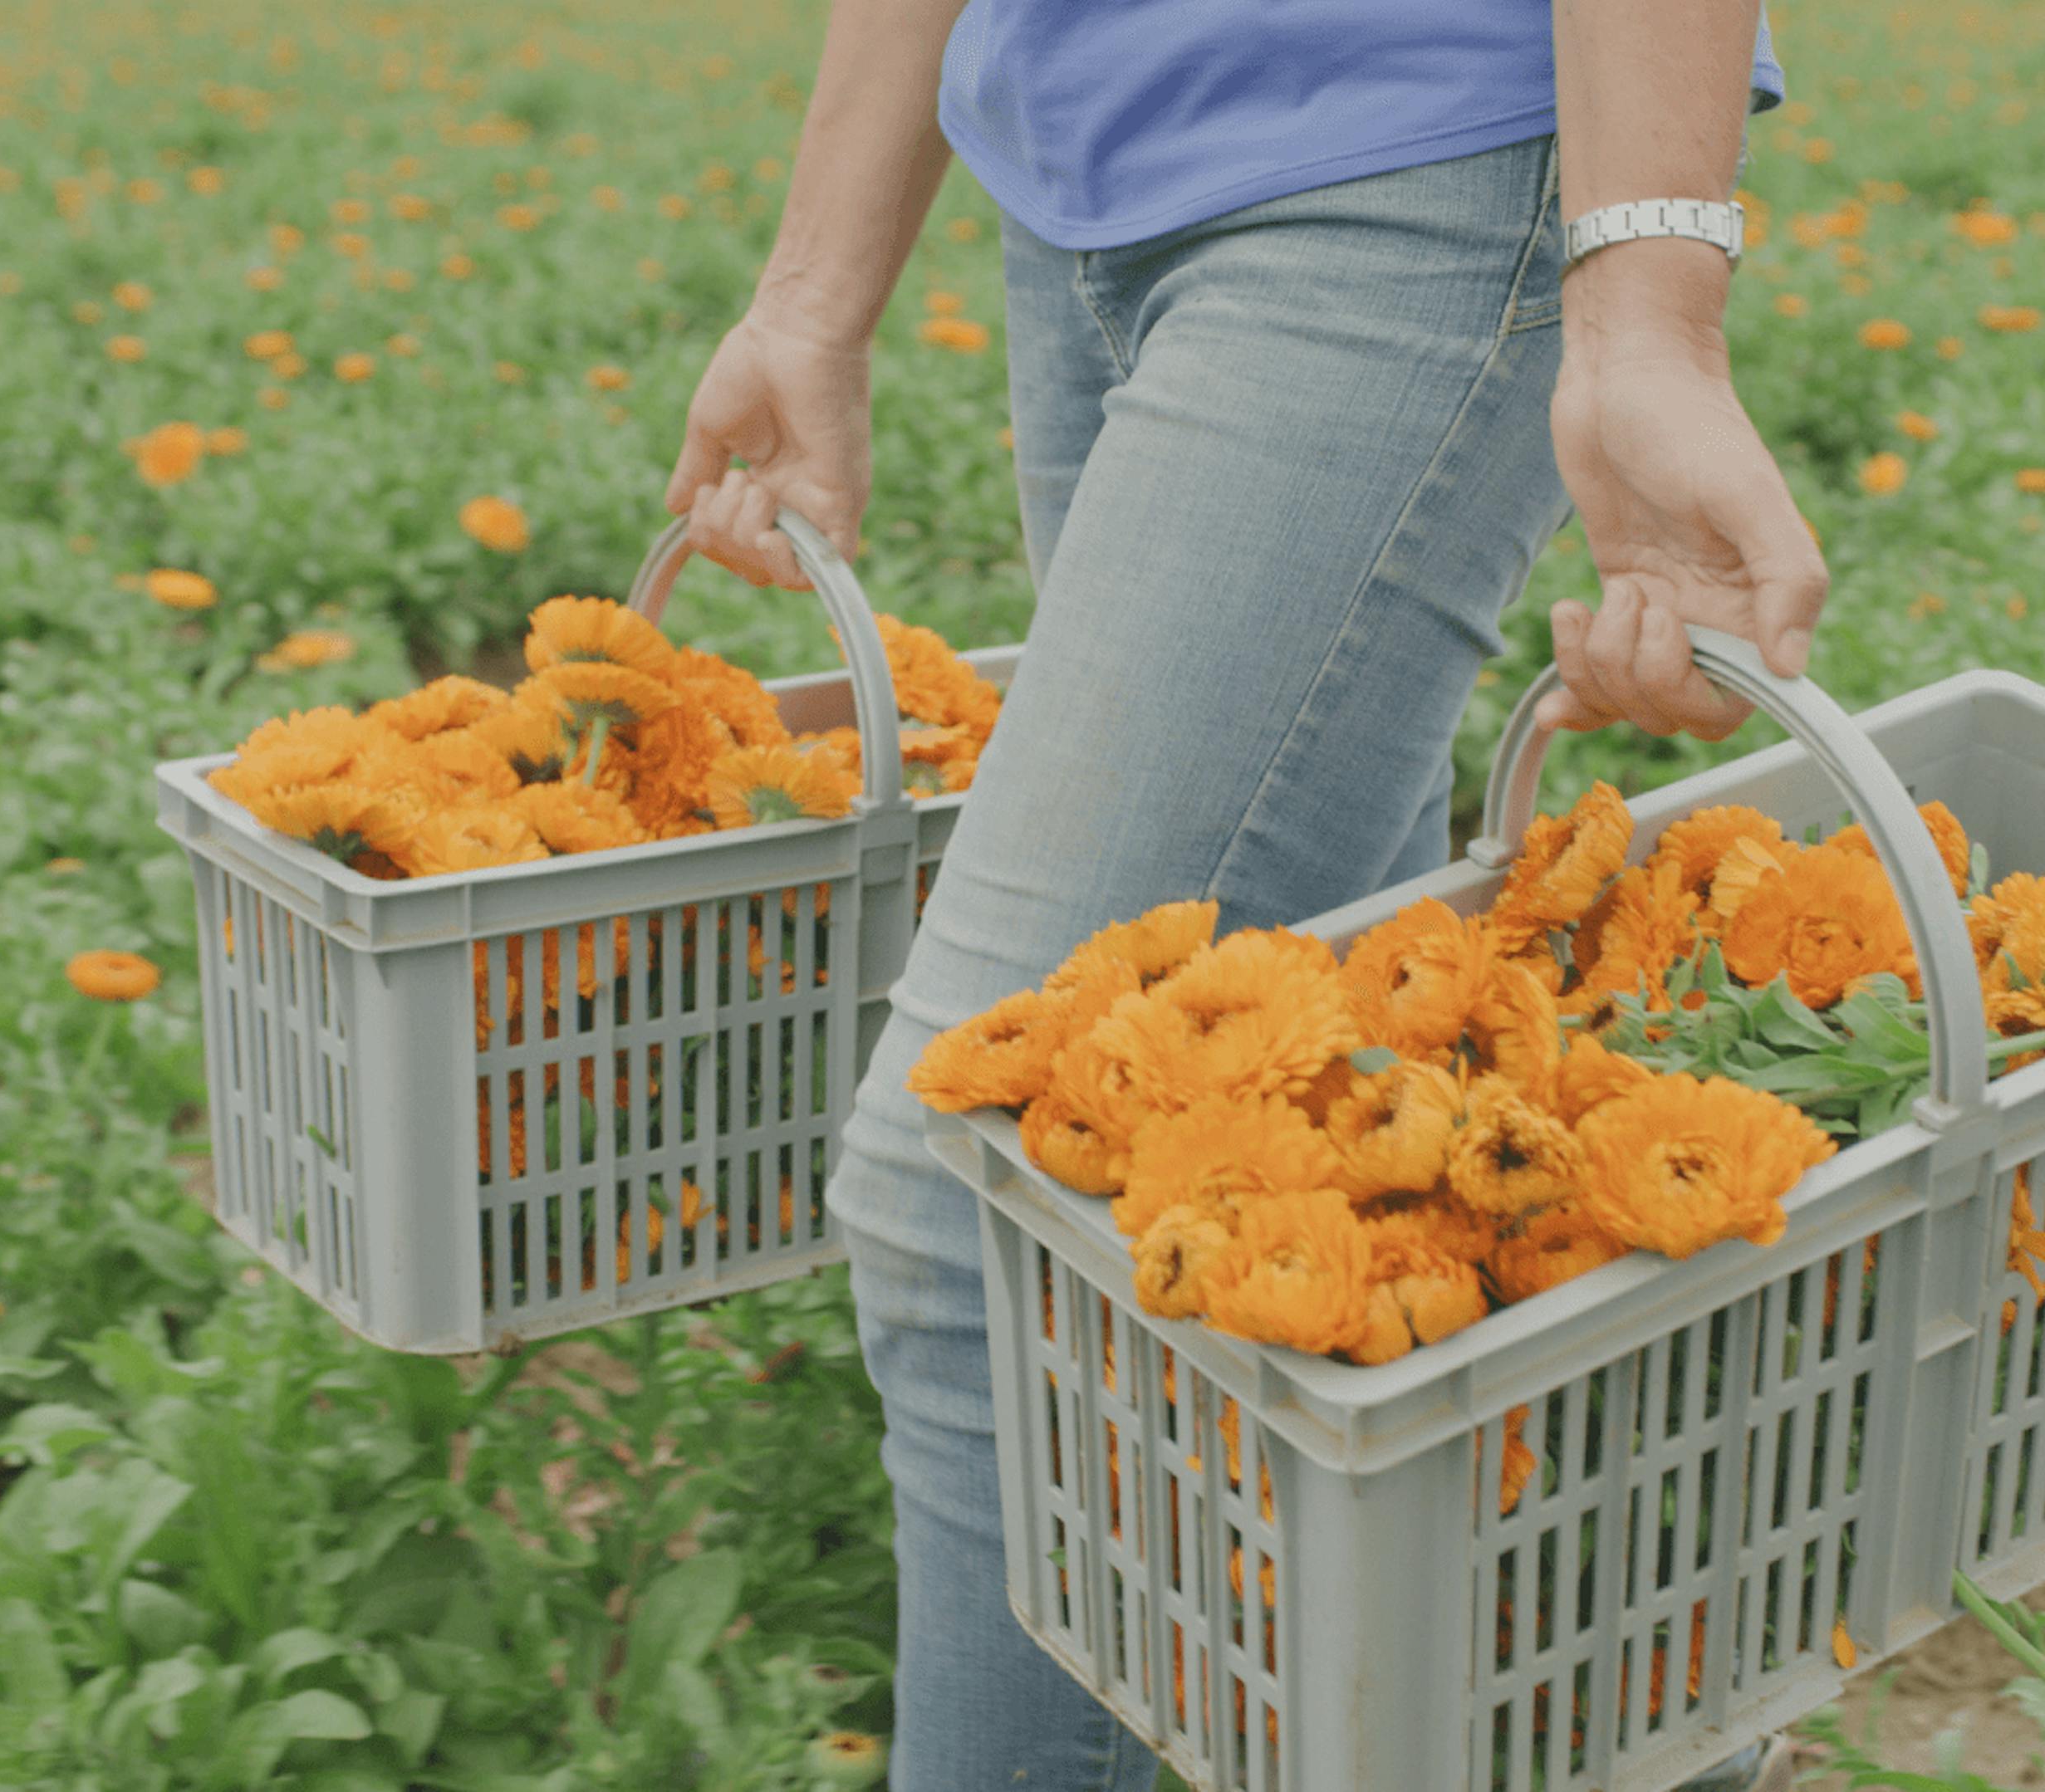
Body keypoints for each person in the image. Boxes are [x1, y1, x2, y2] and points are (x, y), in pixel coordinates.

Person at [667, 2, 1824, 1785]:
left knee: (986, 1201)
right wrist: (814, 287)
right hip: (1083, 183)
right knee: (1327, 1151)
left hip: (1404, 155)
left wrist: (1646, 310)